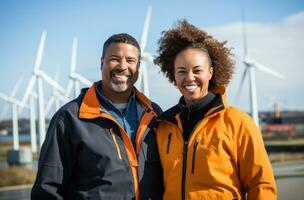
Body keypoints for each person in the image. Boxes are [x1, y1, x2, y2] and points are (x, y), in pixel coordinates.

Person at [153, 20, 277, 200]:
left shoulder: (238, 122)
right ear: (173, 74)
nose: (190, 78)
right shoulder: (163, 126)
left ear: (210, 73)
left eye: (197, 70)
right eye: (181, 71)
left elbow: (262, 184)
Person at [31, 33, 163, 200]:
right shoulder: (69, 118)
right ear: (102, 63)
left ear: (138, 66)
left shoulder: (154, 114)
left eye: (131, 60)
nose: (123, 66)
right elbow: (47, 189)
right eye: (115, 59)